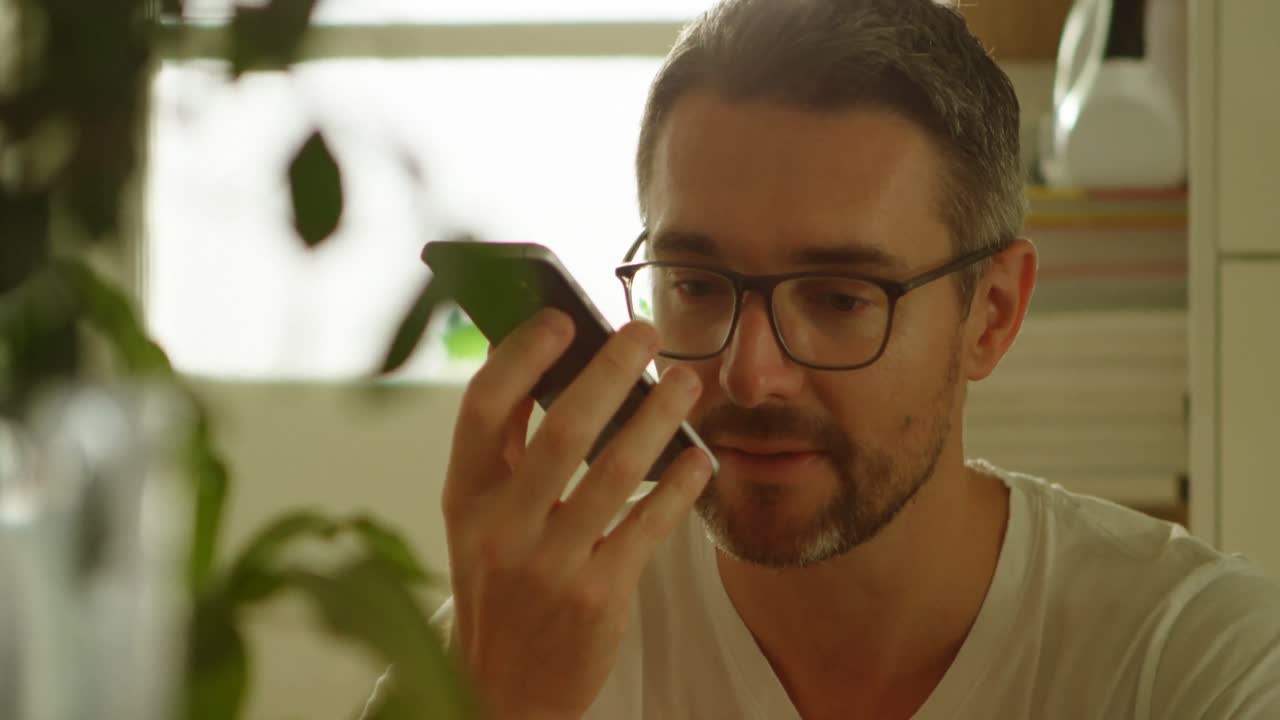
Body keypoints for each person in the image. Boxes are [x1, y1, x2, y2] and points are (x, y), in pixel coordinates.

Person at [368, 0, 1280, 717]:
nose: (751, 374)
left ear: (992, 314)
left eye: (843, 299)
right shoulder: (516, 651)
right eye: (695, 284)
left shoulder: (1194, 662)